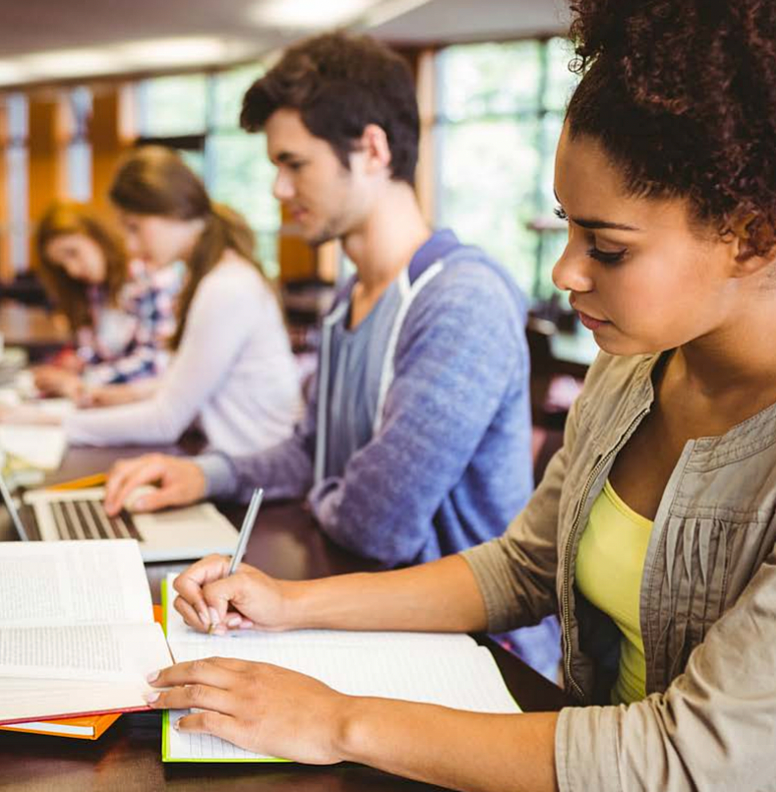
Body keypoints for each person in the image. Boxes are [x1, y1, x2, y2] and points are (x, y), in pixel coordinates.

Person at [142, 2, 776, 790]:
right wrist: (288, 602)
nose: (565, 273)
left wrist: (337, 718)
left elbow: (688, 756)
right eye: (566, 230)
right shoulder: (629, 371)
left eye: (607, 248)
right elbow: (523, 568)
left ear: (750, 236)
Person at [104, 33, 538, 580]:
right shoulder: (347, 299)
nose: (279, 189)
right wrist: (203, 475)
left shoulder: (459, 301)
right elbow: (311, 456)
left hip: (477, 648)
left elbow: (375, 526)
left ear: (373, 150)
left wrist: (323, 494)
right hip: (364, 602)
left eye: (295, 164)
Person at [4, 148, 303, 456]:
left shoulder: (226, 287)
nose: (131, 246)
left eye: (134, 227)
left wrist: (48, 421)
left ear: (172, 209)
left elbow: (165, 421)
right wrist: (119, 395)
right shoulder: (214, 277)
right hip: (231, 462)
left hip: (254, 477)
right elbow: (184, 384)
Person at [33, 200, 182, 406]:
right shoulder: (95, 289)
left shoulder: (151, 278)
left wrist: (79, 382)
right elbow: (107, 352)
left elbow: (155, 365)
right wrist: (78, 364)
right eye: (62, 265)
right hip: (111, 407)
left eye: (73, 252)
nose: (72, 270)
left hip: (150, 410)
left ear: (97, 236)